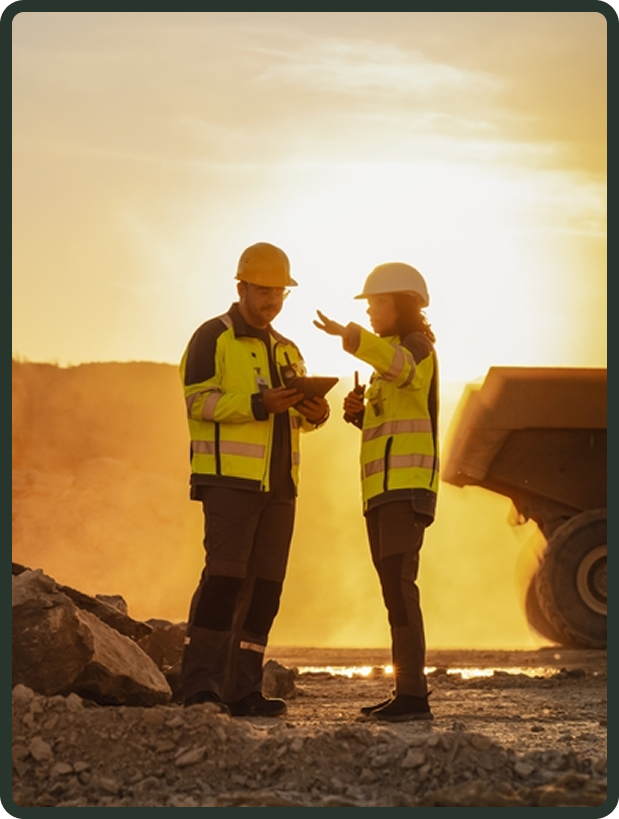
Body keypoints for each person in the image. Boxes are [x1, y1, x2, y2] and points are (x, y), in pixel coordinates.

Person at [180, 242, 330, 717]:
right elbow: (197, 402)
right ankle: (200, 687)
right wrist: (256, 406)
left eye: (279, 293)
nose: (271, 301)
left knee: (266, 590)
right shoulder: (212, 338)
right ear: (241, 287)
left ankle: (244, 690)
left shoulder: (288, 348)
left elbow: (298, 421)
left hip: (280, 487)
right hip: (230, 482)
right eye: (263, 291)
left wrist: (315, 411)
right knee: (223, 581)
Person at [314, 262, 439, 722]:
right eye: (366, 306)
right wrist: (358, 415)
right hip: (383, 493)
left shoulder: (416, 349)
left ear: (402, 305)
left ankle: (413, 696)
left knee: (401, 589)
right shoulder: (387, 357)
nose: (368, 311)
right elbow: (389, 422)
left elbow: (403, 368)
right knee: (393, 590)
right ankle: (406, 690)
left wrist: (349, 336)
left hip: (407, 490)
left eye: (375, 303)